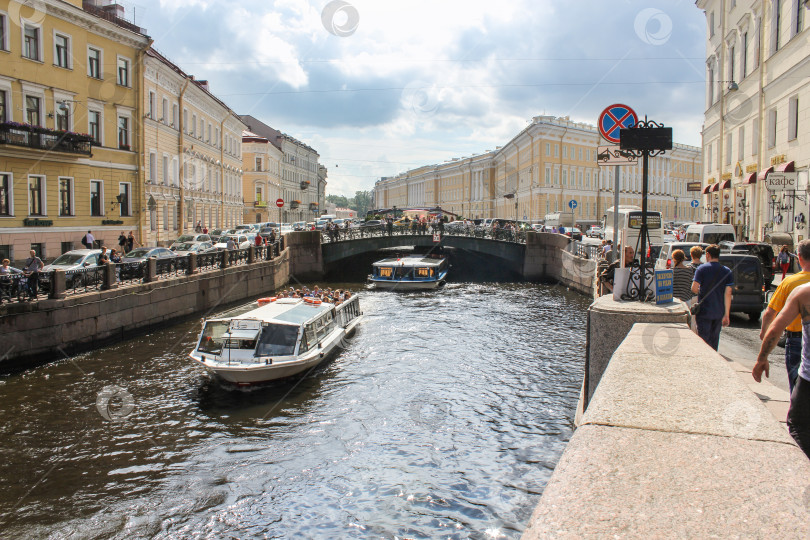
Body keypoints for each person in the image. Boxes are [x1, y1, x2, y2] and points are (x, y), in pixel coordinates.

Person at [753, 282, 810, 459]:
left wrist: (762, 358)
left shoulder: (803, 292)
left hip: (808, 381)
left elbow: (776, 328)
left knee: (799, 428)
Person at [760, 239, 810, 393]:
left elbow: (770, 312)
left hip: (796, 339)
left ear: (799, 257)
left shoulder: (790, 282)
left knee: (797, 388)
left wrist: (764, 334)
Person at [690, 244, 733, 351]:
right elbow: (728, 293)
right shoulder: (727, 271)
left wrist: (702, 290)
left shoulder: (702, 269)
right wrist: (726, 315)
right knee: (714, 341)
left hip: (704, 311)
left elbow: (694, 289)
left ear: (708, 255)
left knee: (704, 341)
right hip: (719, 312)